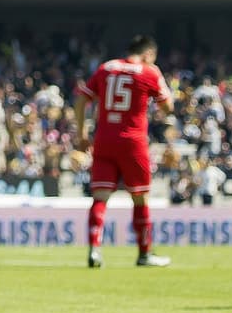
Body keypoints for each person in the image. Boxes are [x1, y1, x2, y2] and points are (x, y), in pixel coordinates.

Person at [73, 35, 173, 268]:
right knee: (140, 197)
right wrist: (158, 76)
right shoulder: (148, 72)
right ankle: (144, 254)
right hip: (133, 142)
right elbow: (168, 108)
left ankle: (95, 250)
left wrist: (82, 135)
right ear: (148, 54)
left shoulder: (106, 68)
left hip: (104, 139)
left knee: (100, 197)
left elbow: (81, 101)